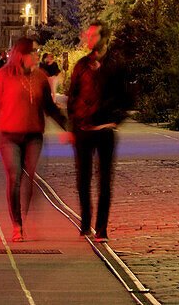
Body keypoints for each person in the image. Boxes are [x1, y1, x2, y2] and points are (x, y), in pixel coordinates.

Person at [0, 36, 70, 242]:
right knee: (14, 177)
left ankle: (27, 216)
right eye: (34, 52)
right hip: (8, 136)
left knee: (30, 177)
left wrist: (65, 128)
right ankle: (17, 225)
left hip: (33, 135)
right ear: (22, 55)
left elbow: (49, 107)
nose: (37, 55)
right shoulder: (3, 76)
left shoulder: (40, 76)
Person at [66, 21, 129, 242]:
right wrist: (72, 125)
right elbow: (72, 95)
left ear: (104, 38)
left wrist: (116, 120)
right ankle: (85, 221)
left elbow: (126, 96)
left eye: (94, 35)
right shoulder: (82, 65)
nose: (89, 39)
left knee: (105, 180)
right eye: (88, 35)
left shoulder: (115, 65)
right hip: (83, 129)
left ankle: (101, 228)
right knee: (83, 178)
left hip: (105, 130)